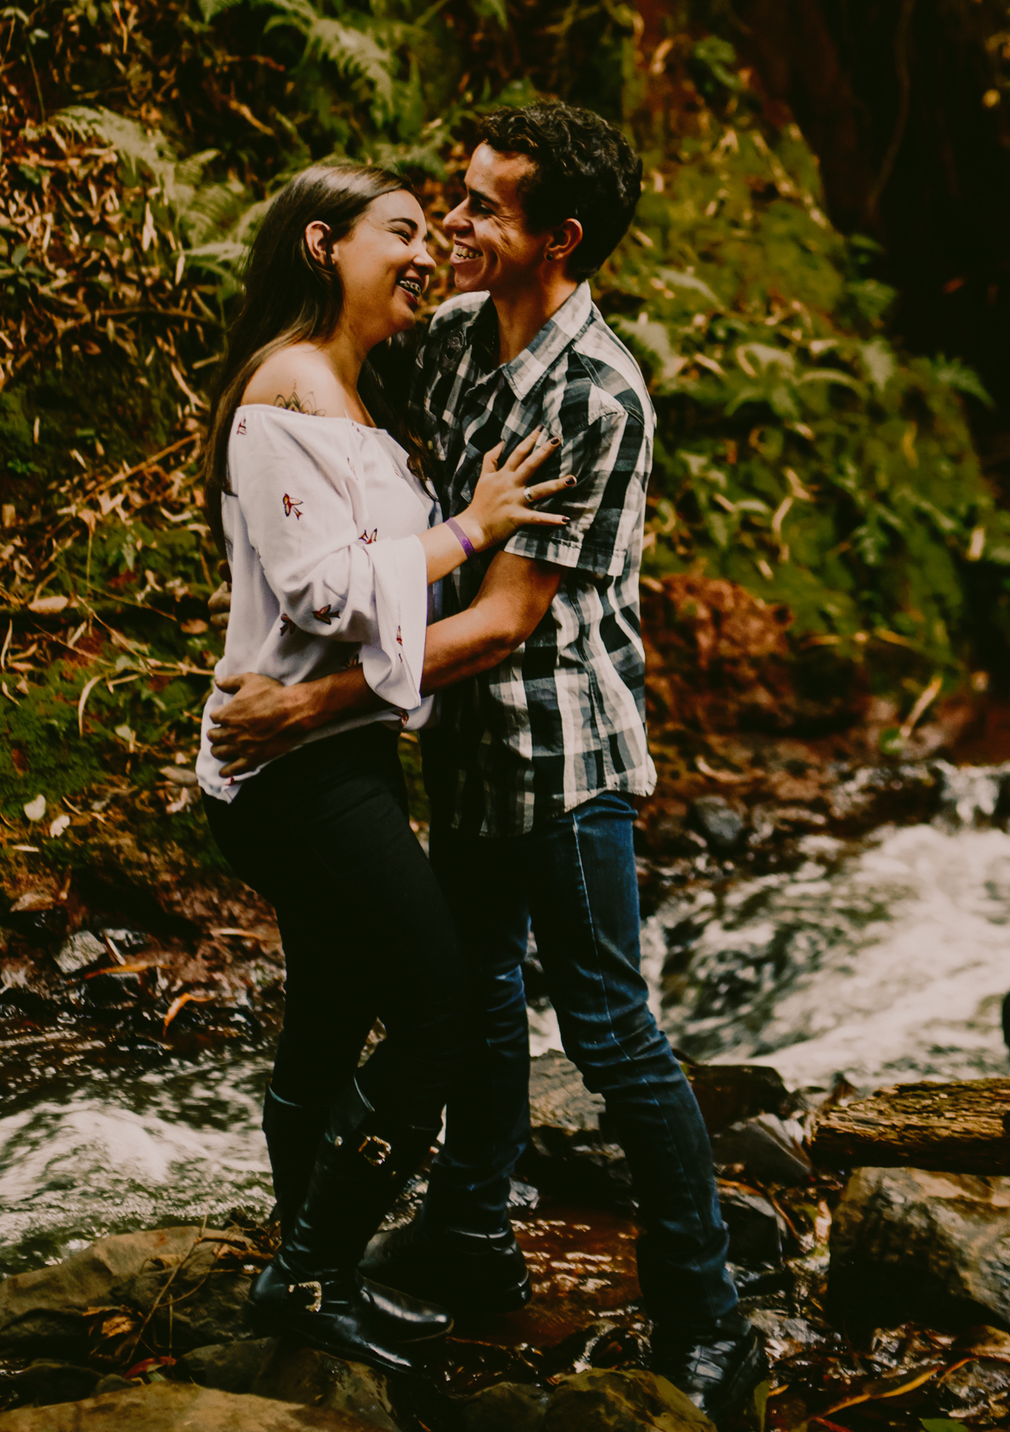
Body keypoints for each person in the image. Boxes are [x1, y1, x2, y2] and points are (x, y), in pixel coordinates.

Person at [206, 104, 765, 1424]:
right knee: (475, 1002)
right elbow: (326, 443)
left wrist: (310, 705)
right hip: (454, 748)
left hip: (561, 751)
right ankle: (463, 1234)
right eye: (450, 201)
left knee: (617, 1032)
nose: (452, 226)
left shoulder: (595, 388)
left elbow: (512, 615)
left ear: (558, 238)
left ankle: (709, 1315)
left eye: (481, 210)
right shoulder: (455, 340)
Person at [196, 159, 574, 1377]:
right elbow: (326, 587)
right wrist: (471, 527)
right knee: (441, 1020)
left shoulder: (347, 393)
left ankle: (309, 1268)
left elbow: (359, 579)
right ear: (322, 243)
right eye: (401, 232)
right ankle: (311, 1273)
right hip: (299, 776)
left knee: (328, 1020)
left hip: (331, 755)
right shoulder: (287, 392)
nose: (426, 251)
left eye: (432, 231)